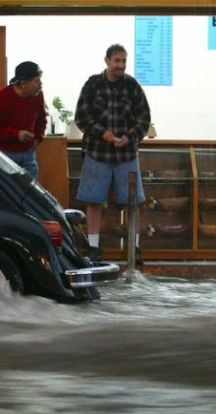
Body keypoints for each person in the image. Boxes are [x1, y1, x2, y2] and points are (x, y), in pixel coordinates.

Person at [74, 44, 151, 265]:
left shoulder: (132, 86)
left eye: (124, 61)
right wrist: (103, 133)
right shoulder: (92, 84)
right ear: (106, 60)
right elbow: (82, 117)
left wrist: (130, 136)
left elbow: (144, 119)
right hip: (97, 153)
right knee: (93, 201)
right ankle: (94, 248)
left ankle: (134, 249)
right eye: (117, 60)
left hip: (126, 154)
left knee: (133, 202)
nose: (121, 65)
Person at [0, 61, 47, 178]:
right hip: (4, 154)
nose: (41, 84)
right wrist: (16, 134)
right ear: (23, 83)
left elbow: (42, 119)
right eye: (36, 81)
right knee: (7, 193)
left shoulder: (38, 95)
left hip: (28, 154)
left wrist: (38, 138)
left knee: (30, 192)